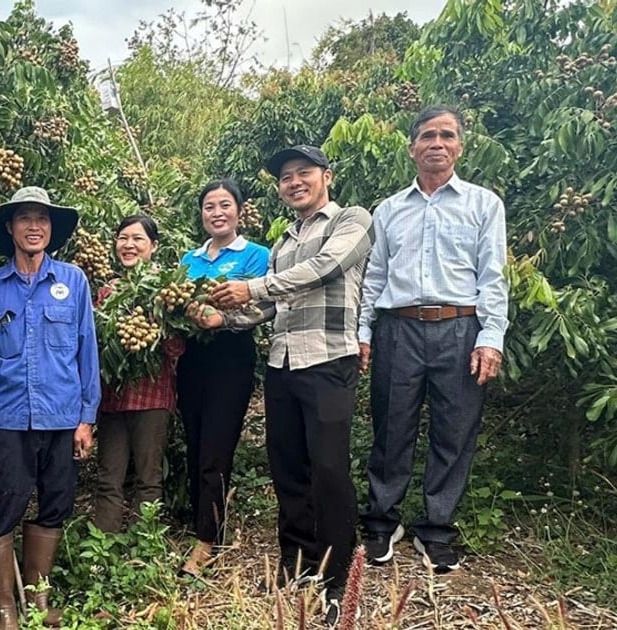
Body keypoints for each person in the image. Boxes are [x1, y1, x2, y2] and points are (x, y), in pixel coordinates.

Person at [210, 146, 372, 626]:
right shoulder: (282, 241)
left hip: (326, 360)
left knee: (328, 470)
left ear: (327, 176)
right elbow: (270, 306)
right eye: (286, 177)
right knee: (288, 468)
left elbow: (323, 269)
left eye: (304, 173)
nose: (294, 182)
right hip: (282, 362)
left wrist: (253, 288)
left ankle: (338, 578)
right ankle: (296, 563)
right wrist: (220, 317)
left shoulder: (351, 220)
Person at [357, 106, 509, 573]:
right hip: (398, 327)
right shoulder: (388, 210)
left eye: (446, 135)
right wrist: (363, 330)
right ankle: (383, 522)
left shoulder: (484, 204)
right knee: (390, 426)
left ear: (460, 146)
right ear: (412, 147)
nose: (437, 144)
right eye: (427, 136)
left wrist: (491, 337)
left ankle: (436, 529)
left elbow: (493, 276)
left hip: (460, 329)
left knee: (454, 431)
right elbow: (375, 274)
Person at [0, 186, 100, 630]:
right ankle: (4, 608)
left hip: (62, 412)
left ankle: (36, 600)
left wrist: (86, 417)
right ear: (10, 228)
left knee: (56, 502)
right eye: (25, 218)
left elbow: (86, 350)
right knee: (11, 499)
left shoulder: (73, 280)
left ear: (51, 229)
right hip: (11, 414)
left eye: (41, 218)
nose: (34, 226)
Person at [174, 180, 270, 577]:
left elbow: (263, 305)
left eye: (224, 205)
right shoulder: (189, 258)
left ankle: (207, 542)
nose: (217, 212)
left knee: (216, 446)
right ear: (202, 214)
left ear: (239, 210)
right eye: (209, 206)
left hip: (231, 357)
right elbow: (176, 301)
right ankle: (204, 519)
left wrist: (222, 317)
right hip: (192, 358)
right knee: (195, 443)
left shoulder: (255, 255)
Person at [92, 214, 185, 533]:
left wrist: (159, 327)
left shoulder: (167, 288)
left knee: (148, 478)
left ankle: (146, 549)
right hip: (112, 400)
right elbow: (97, 344)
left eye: (137, 239)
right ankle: (103, 553)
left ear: (153, 246)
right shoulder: (107, 292)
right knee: (109, 478)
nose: (128, 245)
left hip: (152, 395)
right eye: (122, 238)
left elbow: (178, 348)